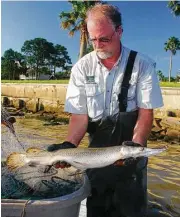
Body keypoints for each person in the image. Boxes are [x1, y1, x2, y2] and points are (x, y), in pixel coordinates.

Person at [47, 3, 163, 217]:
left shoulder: (143, 65)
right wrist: (69, 145)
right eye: (93, 40)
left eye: (104, 39)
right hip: (95, 158)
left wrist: (136, 145)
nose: (98, 45)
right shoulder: (81, 68)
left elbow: (146, 114)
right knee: (97, 209)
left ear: (119, 31)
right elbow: (80, 116)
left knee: (132, 209)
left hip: (131, 161)